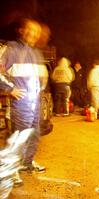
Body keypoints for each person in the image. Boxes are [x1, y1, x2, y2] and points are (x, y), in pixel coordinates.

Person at [0, 18, 49, 185]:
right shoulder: (10, 49)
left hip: (35, 102)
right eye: (30, 29)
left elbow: (41, 76)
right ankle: (9, 171)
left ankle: (26, 164)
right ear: (21, 30)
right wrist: (9, 89)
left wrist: (41, 85)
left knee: (34, 134)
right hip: (20, 103)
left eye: (36, 31)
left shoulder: (36, 53)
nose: (34, 34)